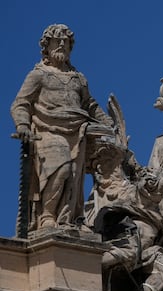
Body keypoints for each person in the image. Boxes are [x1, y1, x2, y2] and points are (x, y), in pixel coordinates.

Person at [10, 24, 113, 232]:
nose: (63, 45)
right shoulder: (38, 75)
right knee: (60, 168)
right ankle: (47, 216)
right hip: (47, 129)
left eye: (66, 42)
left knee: (74, 176)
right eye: (58, 41)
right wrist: (22, 124)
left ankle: (70, 219)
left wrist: (108, 122)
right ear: (47, 46)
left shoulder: (78, 77)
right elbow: (21, 103)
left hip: (77, 132)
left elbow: (89, 105)